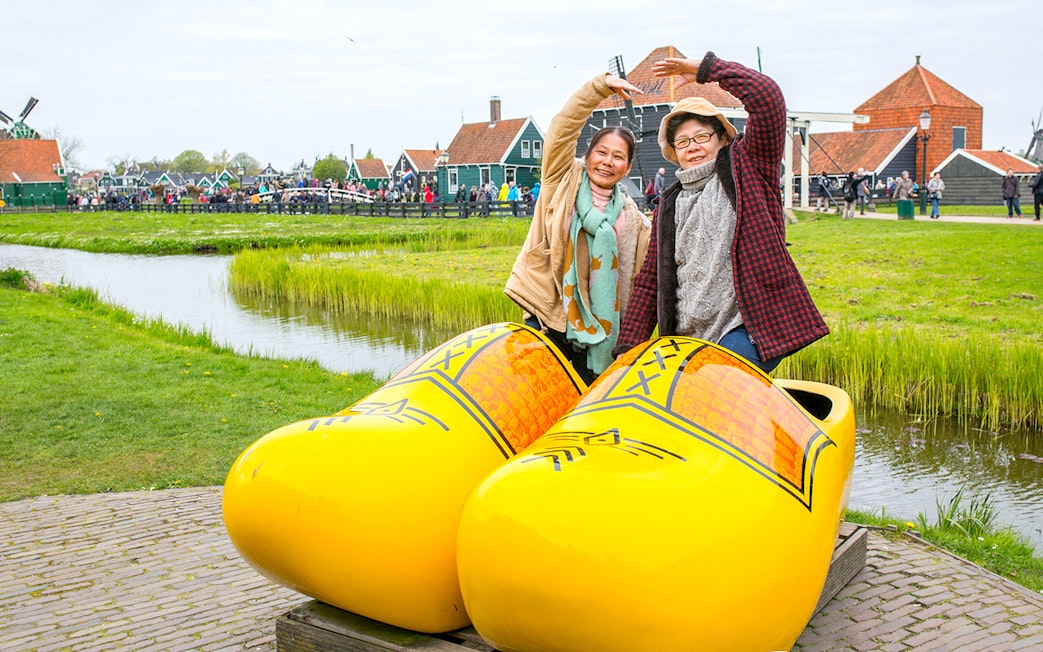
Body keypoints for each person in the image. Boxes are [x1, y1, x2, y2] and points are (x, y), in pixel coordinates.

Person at [613, 51, 828, 373]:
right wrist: (627, 350)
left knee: (715, 385)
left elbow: (768, 99)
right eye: (683, 142)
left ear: (721, 138)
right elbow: (649, 283)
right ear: (673, 151)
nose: (693, 147)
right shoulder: (669, 205)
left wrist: (708, 70)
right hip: (688, 336)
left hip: (748, 327)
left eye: (702, 137)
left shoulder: (748, 167)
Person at [505, 72, 652, 384]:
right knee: (539, 398)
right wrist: (597, 88)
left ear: (626, 168)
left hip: (603, 331)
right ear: (588, 155)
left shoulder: (634, 220)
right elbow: (561, 129)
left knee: (587, 407)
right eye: (601, 152)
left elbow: (641, 278)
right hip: (550, 317)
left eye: (618, 157)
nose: (607, 162)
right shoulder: (560, 180)